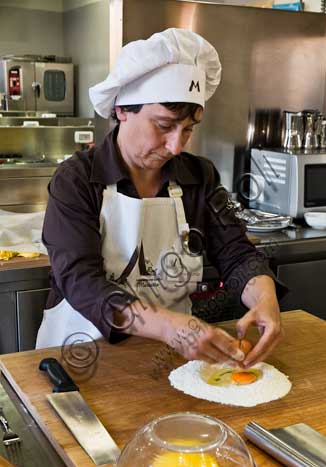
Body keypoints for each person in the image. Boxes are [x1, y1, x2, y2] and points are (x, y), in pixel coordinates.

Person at [36, 28, 284, 368]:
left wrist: (264, 295)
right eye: (164, 125)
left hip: (170, 361)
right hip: (80, 357)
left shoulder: (200, 177)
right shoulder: (76, 180)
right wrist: (168, 325)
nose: (177, 146)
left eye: (189, 128)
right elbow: (81, 282)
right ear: (123, 110)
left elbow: (236, 252)